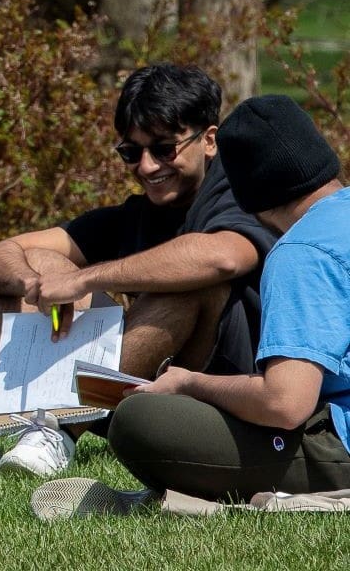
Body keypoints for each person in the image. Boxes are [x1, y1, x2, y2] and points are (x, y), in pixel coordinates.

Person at [0, 64, 276, 483]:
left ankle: (60, 430)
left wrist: (85, 280)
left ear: (208, 140)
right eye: (132, 153)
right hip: (144, 388)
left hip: (229, 395)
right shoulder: (137, 215)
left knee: (182, 284)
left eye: (164, 149)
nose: (147, 167)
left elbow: (225, 257)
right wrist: (34, 286)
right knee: (37, 264)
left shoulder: (245, 193)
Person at [33, 95, 349, 517]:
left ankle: (201, 501)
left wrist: (189, 383)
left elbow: (284, 404)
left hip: (338, 444)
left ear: (247, 194)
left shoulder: (300, 251)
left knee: (139, 421)